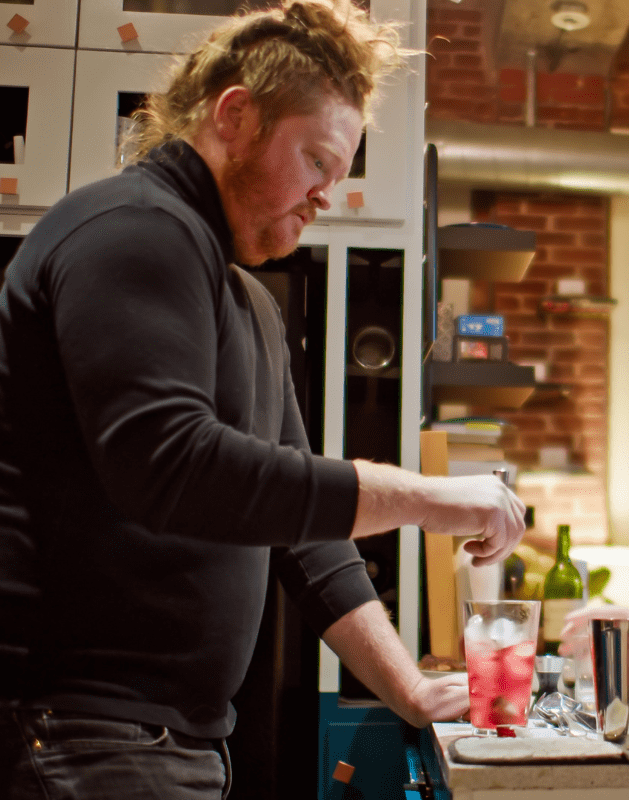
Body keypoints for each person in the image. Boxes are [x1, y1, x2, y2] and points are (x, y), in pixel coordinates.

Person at [0, 2, 525, 797]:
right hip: (78, 732)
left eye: (338, 174)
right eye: (315, 160)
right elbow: (173, 467)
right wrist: (428, 498)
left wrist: (411, 690)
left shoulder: (251, 306)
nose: (324, 196)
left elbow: (307, 544)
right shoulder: (132, 228)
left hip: (171, 738)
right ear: (235, 115)